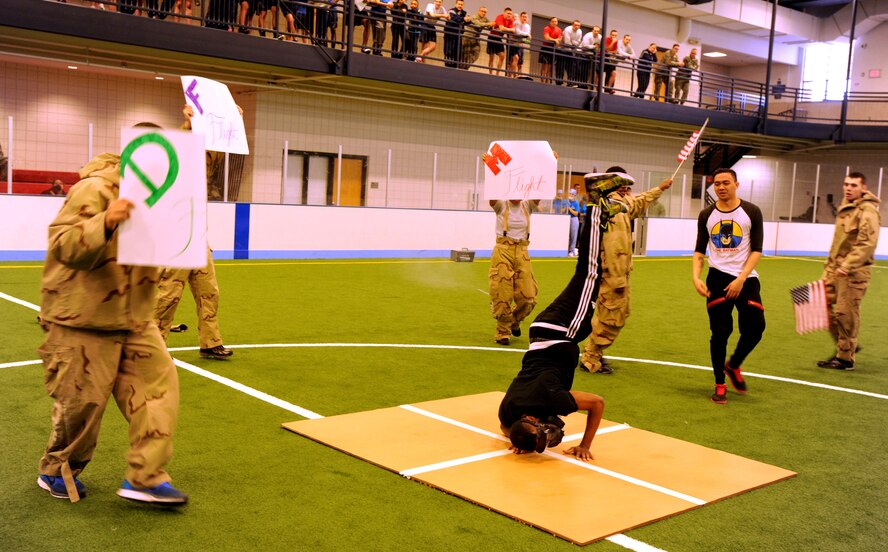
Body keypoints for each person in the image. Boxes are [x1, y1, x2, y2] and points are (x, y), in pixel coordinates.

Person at [35, 128, 188, 505]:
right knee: (83, 404)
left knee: (158, 393)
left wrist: (195, 126)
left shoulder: (165, 192)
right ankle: (58, 469)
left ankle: (145, 477)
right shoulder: (95, 189)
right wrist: (105, 220)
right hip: (82, 317)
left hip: (135, 318)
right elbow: (62, 245)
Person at [498, 172, 632, 460]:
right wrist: (519, 437)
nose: (549, 432)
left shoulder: (552, 399)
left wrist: (585, 445)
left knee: (590, 271)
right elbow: (503, 427)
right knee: (589, 273)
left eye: (541, 432)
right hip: (546, 334)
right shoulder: (509, 412)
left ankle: (596, 202)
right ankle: (599, 212)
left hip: (562, 330)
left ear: (532, 420)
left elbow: (597, 403)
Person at [154, 105, 234, 361]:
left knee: (209, 292)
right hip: (176, 240)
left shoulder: (200, 166)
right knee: (168, 296)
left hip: (198, 238)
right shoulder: (169, 167)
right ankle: (152, 345)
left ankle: (211, 342)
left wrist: (232, 123)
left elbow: (213, 156)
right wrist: (187, 127)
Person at [580, 169, 673, 374]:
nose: (625, 187)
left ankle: (593, 353)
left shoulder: (622, 203)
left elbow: (639, 200)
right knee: (612, 315)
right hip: (610, 273)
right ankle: (590, 358)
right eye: (620, 182)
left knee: (616, 313)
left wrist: (660, 188)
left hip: (620, 273)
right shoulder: (605, 203)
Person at [692, 168, 765, 404]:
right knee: (720, 333)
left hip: (746, 279)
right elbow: (699, 250)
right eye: (716, 184)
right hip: (717, 279)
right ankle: (720, 383)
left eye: (726, 183)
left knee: (755, 328)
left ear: (736, 184)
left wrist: (741, 278)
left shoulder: (752, 211)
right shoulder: (706, 214)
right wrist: (696, 276)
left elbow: (756, 250)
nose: (721, 187)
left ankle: (733, 365)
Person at [817, 172, 881, 370]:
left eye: (853, 185)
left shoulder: (867, 211)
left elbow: (867, 244)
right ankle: (847, 344)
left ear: (863, 188)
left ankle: (845, 358)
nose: (848, 188)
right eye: (846, 184)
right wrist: (830, 268)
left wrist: (847, 265)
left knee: (846, 313)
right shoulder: (847, 207)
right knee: (819, 305)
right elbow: (838, 243)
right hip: (835, 271)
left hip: (853, 273)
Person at [487, 196, 540, 345]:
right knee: (502, 294)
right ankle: (502, 332)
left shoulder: (527, 205)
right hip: (503, 251)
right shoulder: (500, 205)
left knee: (529, 298)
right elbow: (492, 195)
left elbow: (538, 192)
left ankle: (514, 321)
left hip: (522, 252)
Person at [487, 7, 514, 75]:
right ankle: (490, 74)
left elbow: (513, 30)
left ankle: (497, 73)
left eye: (510, 14)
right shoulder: (500, 17)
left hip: (499, 38)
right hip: (492, 37)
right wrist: (508, 29)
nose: (509, 15)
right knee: (491, 57)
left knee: (502, 56)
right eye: (508, 13)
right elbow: (502, 28)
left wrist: (505, 29)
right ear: (504, 13)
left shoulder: (511, 20)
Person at [442, 0, 466, 68]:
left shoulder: (463, 13)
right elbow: (454, 18)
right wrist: (464, 19)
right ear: (456, 4)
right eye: (459, 4)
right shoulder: (451, 11)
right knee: (448, 51)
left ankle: (455, 67)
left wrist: (467, 20)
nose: (460, 6)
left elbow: (466, 21)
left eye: (461, 4)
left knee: (457, 52)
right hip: (450, 35)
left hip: (458, 35)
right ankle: (447, 67)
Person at [539, 17, 561, 84]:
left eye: (555, 21)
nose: (554, 22)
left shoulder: (559, 30)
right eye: (553, 21)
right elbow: (546, 37)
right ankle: (542, 81)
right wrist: (554, 40)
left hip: (553, 49)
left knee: (550, 66)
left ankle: (547, 81)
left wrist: (557, 41)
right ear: (550, 22)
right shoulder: (546, 28)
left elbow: (559, 39)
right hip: (545, 48)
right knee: (544, 65)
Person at [566, 189, 580, 256]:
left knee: (573, 236)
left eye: (572, 194)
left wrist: (569, 209)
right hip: (567, 219)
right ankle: (566, 249)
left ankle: (572, 250)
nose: (570, 195)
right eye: (570, 194)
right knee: (567, 235)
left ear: (574, 195)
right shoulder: (566, 202)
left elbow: (576, 213)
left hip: (574, 219)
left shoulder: (576, 203)